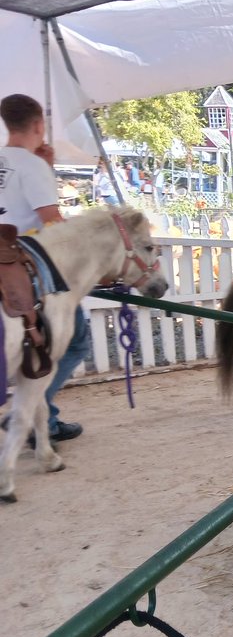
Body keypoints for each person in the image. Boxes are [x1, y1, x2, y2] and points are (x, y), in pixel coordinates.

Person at [0, 94, 88, 443]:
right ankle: (38, 415)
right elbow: (51, 221)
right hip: (26, 264)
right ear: (39, 125)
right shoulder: (31, 165)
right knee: (75, 340)